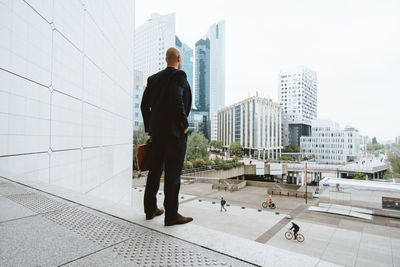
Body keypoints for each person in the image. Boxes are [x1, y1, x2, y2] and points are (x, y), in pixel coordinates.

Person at [141, 47, 193, 226]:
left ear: (165, 59)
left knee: (154, 171)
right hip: (174, 135)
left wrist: (150, 128)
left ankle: (150, 209)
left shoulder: (153, 79)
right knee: (173, 175)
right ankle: (171, 215)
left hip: (157, 135)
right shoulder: (179, 76)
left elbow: (143, 106)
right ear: (178, 58)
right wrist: (184, 125)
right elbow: (176, 98)